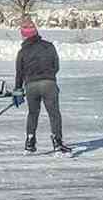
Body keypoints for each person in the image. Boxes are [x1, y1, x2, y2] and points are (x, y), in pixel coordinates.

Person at [13, 16, 70, 153]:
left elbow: (19, 73)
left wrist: (18, 90)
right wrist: (48, 76)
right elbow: (56, 66)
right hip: (49, 84)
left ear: (24, 36)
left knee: (33, 113)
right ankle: (57, 142)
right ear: (36, 32)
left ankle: (30, 141)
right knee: (54, 113)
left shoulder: (22, 52)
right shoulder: (49, 46)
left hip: (31, 86)